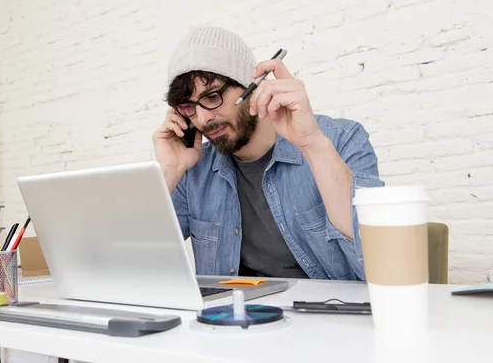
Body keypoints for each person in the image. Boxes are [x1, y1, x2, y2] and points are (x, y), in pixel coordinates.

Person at [152, 27, 384, 280]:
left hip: (328, 315)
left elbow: (381, 266)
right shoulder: (193, 168)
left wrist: (312, 144)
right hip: (235, 315)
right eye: (189, 107)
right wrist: (170, 171)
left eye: (212, 96)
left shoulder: (341, 140)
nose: (204, 118)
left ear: (250, 87)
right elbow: (139, 269)